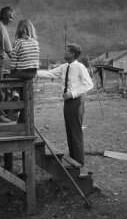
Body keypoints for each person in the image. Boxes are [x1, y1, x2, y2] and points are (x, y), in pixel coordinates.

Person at [37, 44, 94, 177]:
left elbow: (89, 84)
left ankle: (79, 162)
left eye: (67, 51)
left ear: (73, 54)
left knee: (75, 131)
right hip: (67, 102)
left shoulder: (80, 67)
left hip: (76, 102)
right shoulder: (64, 67)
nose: (64, 52)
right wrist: (34, 72)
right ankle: (73, 159)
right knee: (69, 130)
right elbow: (50, 73)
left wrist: (73, 93)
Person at [10, 19, 40, 122]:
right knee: (26, 97)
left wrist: (12, 69)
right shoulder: (35, 42)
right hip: (32, 72)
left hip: (21, 72)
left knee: (12, 77)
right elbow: (36, 58)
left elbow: (14, 57)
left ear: (19, 30)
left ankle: (15, 94)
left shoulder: (18, 42)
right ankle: (21, 120)